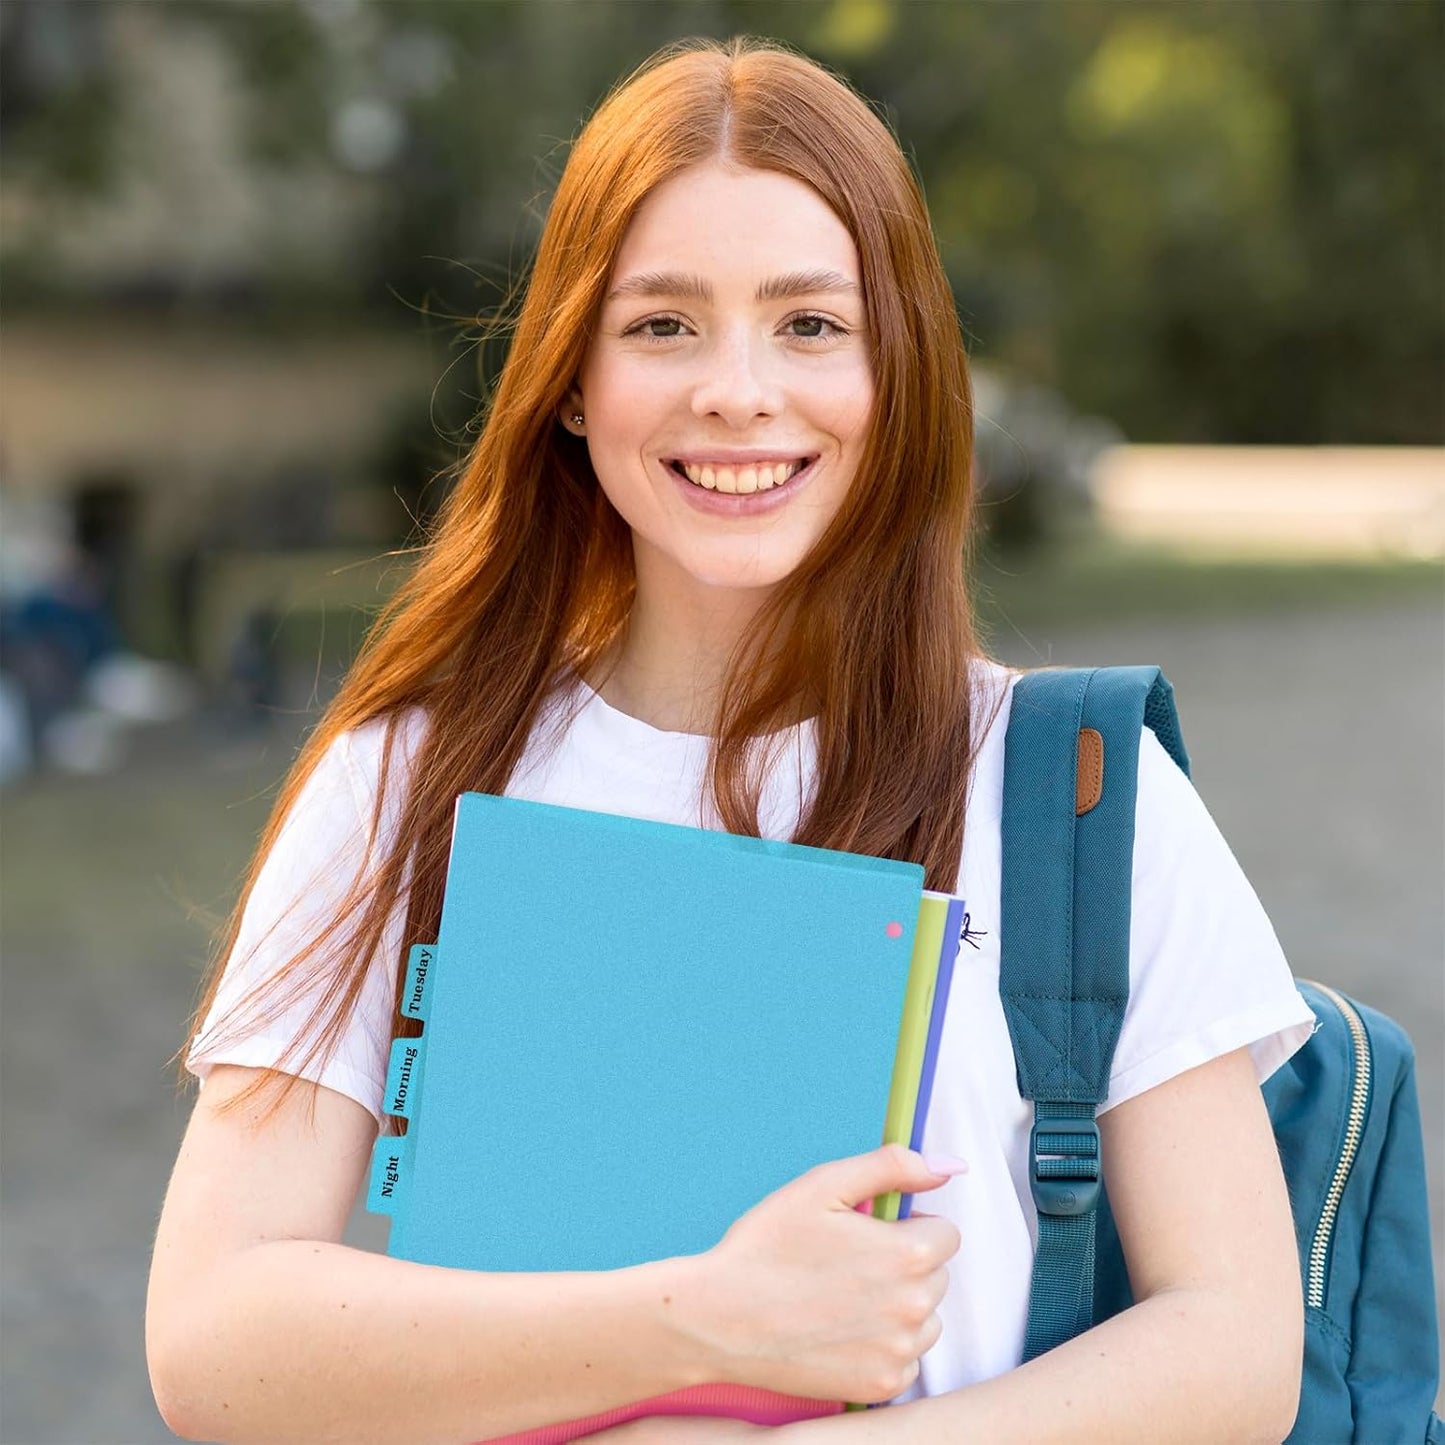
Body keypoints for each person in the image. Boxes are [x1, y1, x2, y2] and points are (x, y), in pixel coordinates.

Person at [146, 36, 1315, 1445]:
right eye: (662, 325)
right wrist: (700, 1315)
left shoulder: (1067, 792)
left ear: (900, 373)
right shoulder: (412, 779)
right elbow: (210, 1340)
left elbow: (1234, 1347)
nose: (738, 390)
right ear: (570, 380)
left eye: (810, 324)